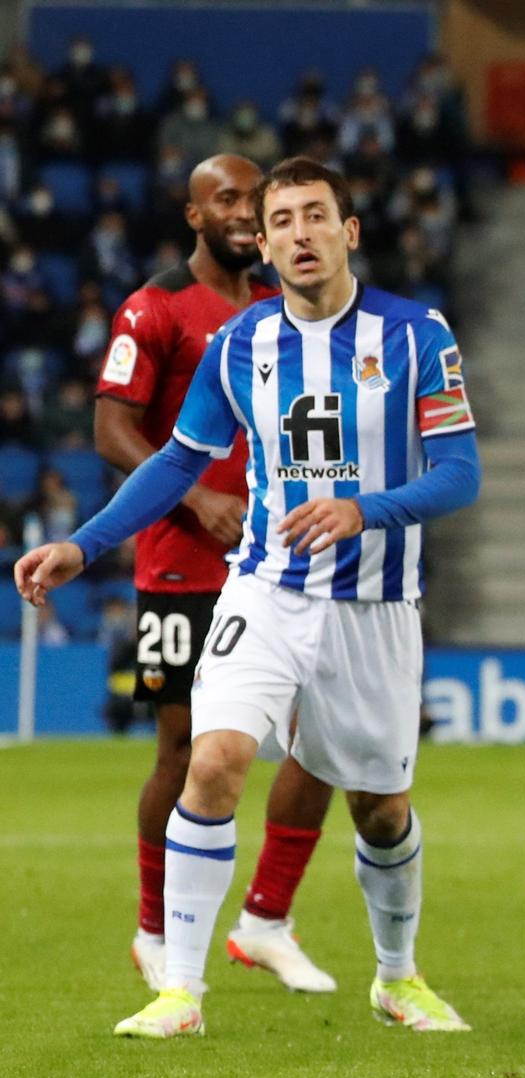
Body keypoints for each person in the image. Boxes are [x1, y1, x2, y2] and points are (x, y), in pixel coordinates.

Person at [14, 157, 481, 1039]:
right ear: (262, 245)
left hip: (375, 606)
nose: (300, 234)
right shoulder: (242, 342)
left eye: (316, 216)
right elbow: (180, 460)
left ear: (350, 231)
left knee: (381, 810)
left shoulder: (419, 334)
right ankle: (179, 993)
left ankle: (396, 975)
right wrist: (86, 543)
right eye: (283, 221)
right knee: (215, 758)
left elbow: (460, 476)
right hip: (264, 590)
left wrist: (364, 510)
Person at [94, 154, 338, 996]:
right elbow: (113, 430)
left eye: (253, 199)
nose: (244, 212)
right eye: (225, 200)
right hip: (185, 561)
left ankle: (267, 919)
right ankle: (154, 930)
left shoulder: (289, 310)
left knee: (324, 744)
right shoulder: (155, 307)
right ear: (195, 216)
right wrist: (197, 498)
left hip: (292, 563)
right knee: (186, 748)